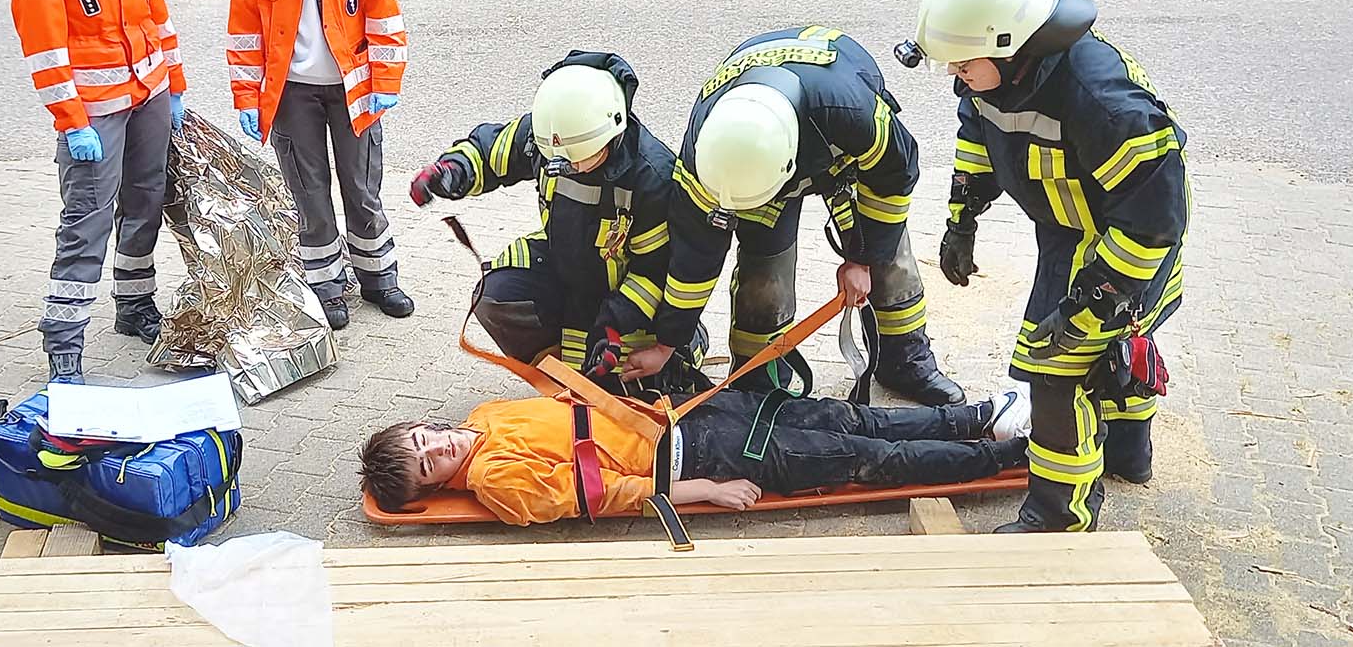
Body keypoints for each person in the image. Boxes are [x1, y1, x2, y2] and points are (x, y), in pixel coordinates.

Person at [902, 0, 1187, 533]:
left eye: (963, 63)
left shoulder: (1103, 103)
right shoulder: (997, 74)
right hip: (1067, 231)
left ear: (1010, 48)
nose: (955, 74)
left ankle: (1058, 517)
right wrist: (963, 218)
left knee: (1055, 370)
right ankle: (1127, 453)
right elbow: (978, 132)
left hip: (1123, 244)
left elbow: (1152, 221)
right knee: (1108, 349)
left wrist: (1100, 296)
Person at [656, 27, 965, 406]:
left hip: (832, 139)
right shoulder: (708, 156)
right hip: (762, 158)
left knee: (891, 260)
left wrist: (864, 259)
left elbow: (893, 180)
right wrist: (669, 340)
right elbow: (694, 257)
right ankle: (760, 377)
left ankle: (904, 360)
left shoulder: (853, 113)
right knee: (764, 278)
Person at [4, 0, 186, 384]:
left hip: (149, 95)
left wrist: (175, 83)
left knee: (146, 201)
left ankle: (134, 304)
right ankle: (64, 348)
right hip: (94, 113)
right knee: (86, 224)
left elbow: (157, 14)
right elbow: (45, 51)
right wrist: (72, 121)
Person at [409, 52, 704, 393]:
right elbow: (492, 152)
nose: (566, 167)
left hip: (628, 294)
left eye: (577, 160)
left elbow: (654, 272)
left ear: (611, 134)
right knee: (497, 296)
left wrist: (614, 326)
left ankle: (680, 350)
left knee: (628, 392)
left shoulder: (652, 178)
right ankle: (557, 369)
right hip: (567, 263)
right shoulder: (553, 135)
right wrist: (453, 170)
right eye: (557, 159)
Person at [227, 0, 412, 330]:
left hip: (352, 84)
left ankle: (378, 278)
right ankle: (327, 286)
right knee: (309, 194)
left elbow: (381, 6)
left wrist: (386, 80)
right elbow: (244, 30)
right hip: (290, 91)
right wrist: (246, 97)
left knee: (361, 187)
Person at [359, 387, 1030, 523]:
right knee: (864, 457)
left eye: (422, 440)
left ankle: (975, 416)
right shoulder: (497, 481)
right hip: (698, 458)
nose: (437, 446)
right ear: (436, 487)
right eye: (430, 464)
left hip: (690, 414)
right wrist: (703, 492)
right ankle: (1004, 456)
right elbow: (601, 496)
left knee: (846, 416)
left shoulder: (484, 417)